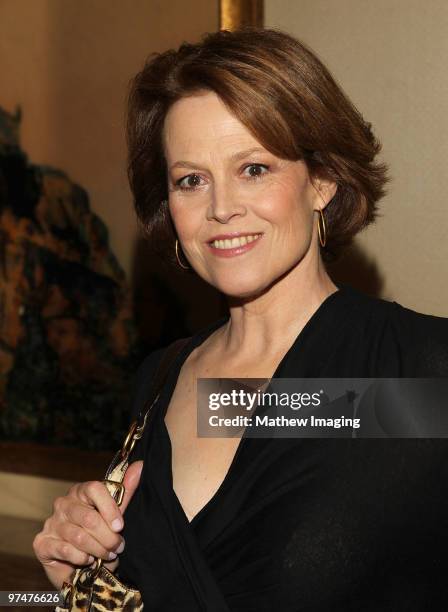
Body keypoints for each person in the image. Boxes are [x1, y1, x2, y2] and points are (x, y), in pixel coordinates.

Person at [33, 27, 448, 610]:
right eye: (191, 180)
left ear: (322, 181)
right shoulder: (162, 380)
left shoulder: (420, 371)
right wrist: (83, 574)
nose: (221, 208)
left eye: (253, 168)